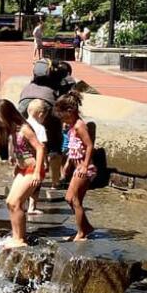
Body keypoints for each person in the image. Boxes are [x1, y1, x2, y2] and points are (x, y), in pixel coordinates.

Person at [0, 100, 45, 249]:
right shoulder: (13, 130)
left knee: (16, 202)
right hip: (22, 169)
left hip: (33, 169)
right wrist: (17, 164)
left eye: (0, 118)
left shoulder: (24, 129)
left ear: (8, 115)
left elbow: (40, 148)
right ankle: (15, 236)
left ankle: (20, 239)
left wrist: (36, 173)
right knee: (10, 202)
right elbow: (22, 151)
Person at [53, 94, 96, 240]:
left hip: (85, 168)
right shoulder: (72, 127)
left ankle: (81, 232)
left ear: (70, 111)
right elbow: (74, 149)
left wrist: (84, 165)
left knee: (75, 200)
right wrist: (67, 164)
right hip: (77, 168)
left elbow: (90, 145)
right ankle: (86, 227)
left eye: (64, 117)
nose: (63, 121)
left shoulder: (79, 126)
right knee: (69, 198)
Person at [25, 100, 50, 217]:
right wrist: (45, 161)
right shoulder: (40, 128)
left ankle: (21, 204)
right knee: (36, 185)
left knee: (24, 183)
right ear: (40, 114)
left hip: (24, 160)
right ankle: (32, 207)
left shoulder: (23, 125)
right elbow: (43, 146)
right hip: (36, 162)